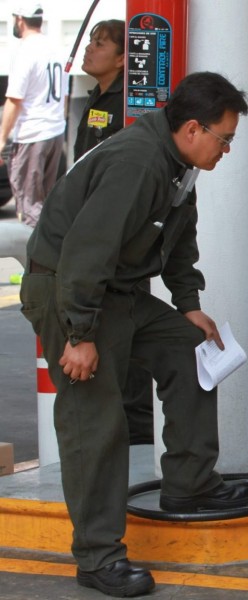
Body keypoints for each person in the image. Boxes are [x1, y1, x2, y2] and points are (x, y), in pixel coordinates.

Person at [19, 71, 248, 598]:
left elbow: (179, 239)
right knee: (97, 420)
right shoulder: (137, 162)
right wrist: (78, 334)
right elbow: (87, 250)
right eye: (225, 138)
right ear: (193, 128)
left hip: (118, 293)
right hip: (70, 292)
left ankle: (189, 485)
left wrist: (188, 306)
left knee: (188, 348)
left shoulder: (181, 164)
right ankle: (98, 555)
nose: (227, 150)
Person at [73, 18, 156, 447]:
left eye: (100, 44)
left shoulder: (127, 104)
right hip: (92, 234)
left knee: (124, 331)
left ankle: (137, 428)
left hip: (115, 243)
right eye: (90, 41)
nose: (90, 50)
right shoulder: (100, 97)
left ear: (125, 58)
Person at [0, 1, 66, 227]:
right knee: (44, 202)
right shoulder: (54, 48)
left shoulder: (26, 50)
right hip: (55, 132)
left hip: (32, 134)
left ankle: (40, 259)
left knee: (29, 207)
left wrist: (1, 139)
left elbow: (14, 99)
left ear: (19, 19)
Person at [73, 19, 125, 160]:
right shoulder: (98, 93)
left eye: (99, 44)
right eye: (91, 41)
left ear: (121, 59)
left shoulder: (125, 102)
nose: (88, 48)